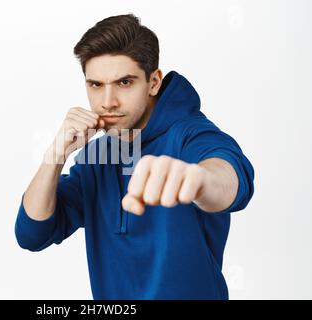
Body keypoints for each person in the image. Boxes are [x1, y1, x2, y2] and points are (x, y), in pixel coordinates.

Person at [14, 13, 255, 300]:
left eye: (124, 82)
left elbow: (231, 178)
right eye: (96, 85)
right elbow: (32, 234)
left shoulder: (189, 134)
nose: (107, 102)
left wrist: (199, 180)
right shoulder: (97, 154)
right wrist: (55, 156)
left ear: (153, 82)